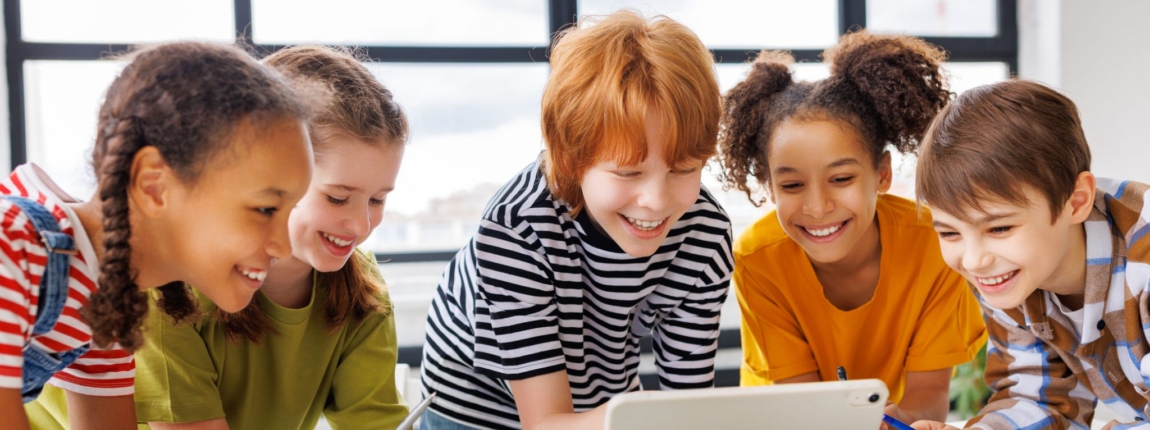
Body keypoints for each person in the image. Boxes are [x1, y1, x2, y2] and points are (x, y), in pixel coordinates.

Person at [27, 46, 410, 430]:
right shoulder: (30, 259)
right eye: (265, 208)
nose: (360, 226)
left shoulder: (103, 304)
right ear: (157, 186)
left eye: (378, 199)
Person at [418, 9, 733, 430]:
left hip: (598, 390)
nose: (656, 202)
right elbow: (546, 423)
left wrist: (671, 416)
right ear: (570, 158)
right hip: (474, 401)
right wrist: (655, 417)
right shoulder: (517, 229)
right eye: (628, 173)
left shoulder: (705, 233)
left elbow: (690, 407)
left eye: (683, 169)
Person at [717, 31, 986, 425]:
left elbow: (929, 395)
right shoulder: (758, 258)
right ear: (770, 189)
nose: (817, 207)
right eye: (792, 185)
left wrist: (901, 418)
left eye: (840, 179)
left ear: (882, 174)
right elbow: (804, 407)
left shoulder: (933, 243)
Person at [909, 80, 1150, 430]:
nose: (974, 260)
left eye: (1000, 228)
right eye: (949, 232)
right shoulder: (1007, 272)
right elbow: (1040, 397)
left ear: (1076, 201)